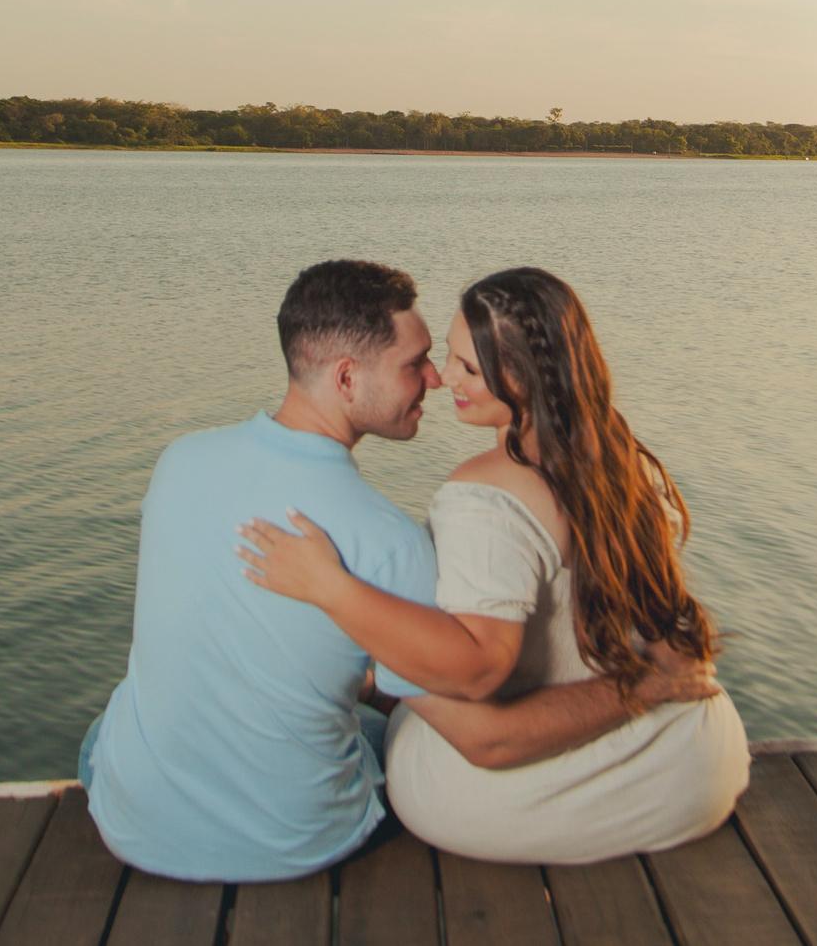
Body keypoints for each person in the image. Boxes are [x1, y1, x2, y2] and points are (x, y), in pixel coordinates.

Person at [79, 259, 718, 883]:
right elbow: (478, 692)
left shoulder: (178, 462)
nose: (437, 380)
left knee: (114, 725)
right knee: (373, 727)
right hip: (297, 842)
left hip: (130, 824)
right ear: (348, 378)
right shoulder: (390, 541)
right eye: (416, 364)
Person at [240, 266, 748, 864]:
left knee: (388, 731)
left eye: (467, 367)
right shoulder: (625, 465)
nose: (440, 378)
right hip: (695, 766)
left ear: (523, 378)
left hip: (533, 791)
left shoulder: (483, 500)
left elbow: (489, 733)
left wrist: (332, 590)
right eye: (446, 357)